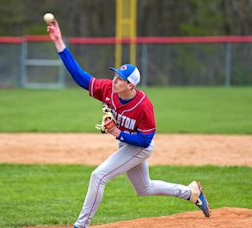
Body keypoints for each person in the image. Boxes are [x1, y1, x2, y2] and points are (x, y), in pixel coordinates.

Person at [46, 19, 211, 228]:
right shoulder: (108, 89)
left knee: (98, 176)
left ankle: (81, 225)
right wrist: (59, 43)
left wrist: (117, 132)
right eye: (115, 76)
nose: (114, 80)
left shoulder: (144, 106)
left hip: (140, 147)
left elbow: (145, 140)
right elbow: (80, 77)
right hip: (126, 144)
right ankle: (191, 192)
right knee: (145, 188)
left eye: (119, 79)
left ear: (130, 85)